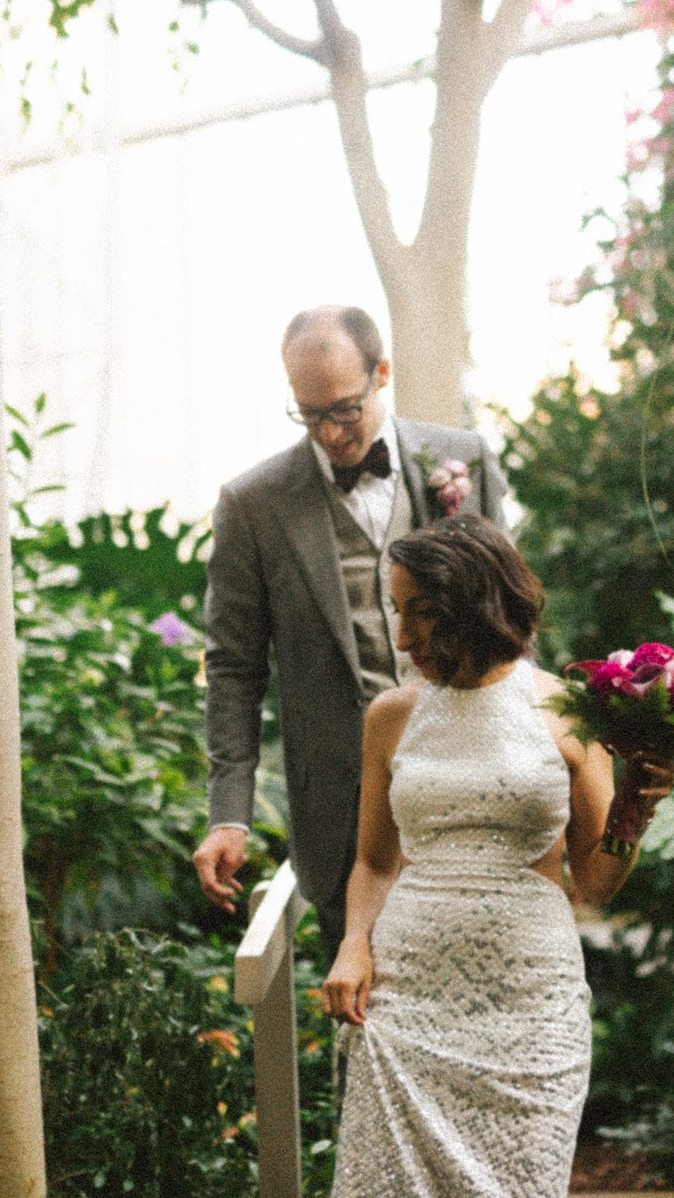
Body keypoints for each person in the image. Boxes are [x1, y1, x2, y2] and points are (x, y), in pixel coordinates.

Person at [316, 515, 674, 1198]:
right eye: (396, 607)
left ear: (474, 601)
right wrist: (354, 944)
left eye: (420, 608)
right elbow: (375, 861)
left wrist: (635, 809)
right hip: (409, 1002)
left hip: (530, 1006)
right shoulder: (390, 716)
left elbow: (597, 881)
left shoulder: (568, 712)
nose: (403, 632)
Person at [194, 305, 508, 963]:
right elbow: (234, 667)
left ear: (381, 373)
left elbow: (507, 623)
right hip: (342, 808)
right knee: (360, 1007)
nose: (329, 433)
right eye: (309, 414)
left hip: (469, 780)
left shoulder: (462, 461)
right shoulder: (253, 505)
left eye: (343, 409)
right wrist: (229, 812)